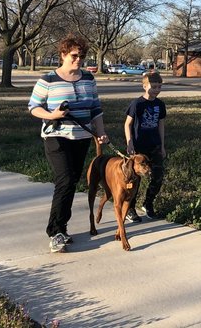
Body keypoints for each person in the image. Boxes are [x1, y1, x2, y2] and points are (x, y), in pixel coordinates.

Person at [28, 34, 109, 253]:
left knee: (72, 181)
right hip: (56, 136)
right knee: (64, 180)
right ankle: (55, 232)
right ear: (63, 54)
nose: (78, 60)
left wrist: (100, 133)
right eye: (74, 55)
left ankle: (62, 226)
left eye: (82, 56)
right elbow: (33, 107)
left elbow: (95, 109)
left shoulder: (88, 79)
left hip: (81, 137)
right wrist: (52, 115)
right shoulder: (48, 80)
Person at [124, 70, 167, 221]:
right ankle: (130, 208)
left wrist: (162, 146)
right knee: (134, 179)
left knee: (158, 176)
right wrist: (129, 143)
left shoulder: (160, 105)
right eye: (153, 86)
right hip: (138, 149)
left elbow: (161, 125)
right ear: (145, 86)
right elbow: (127, 124)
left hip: (154, 146)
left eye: (159, 87)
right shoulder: (137, 104)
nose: (156, 90)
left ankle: (148, 204)